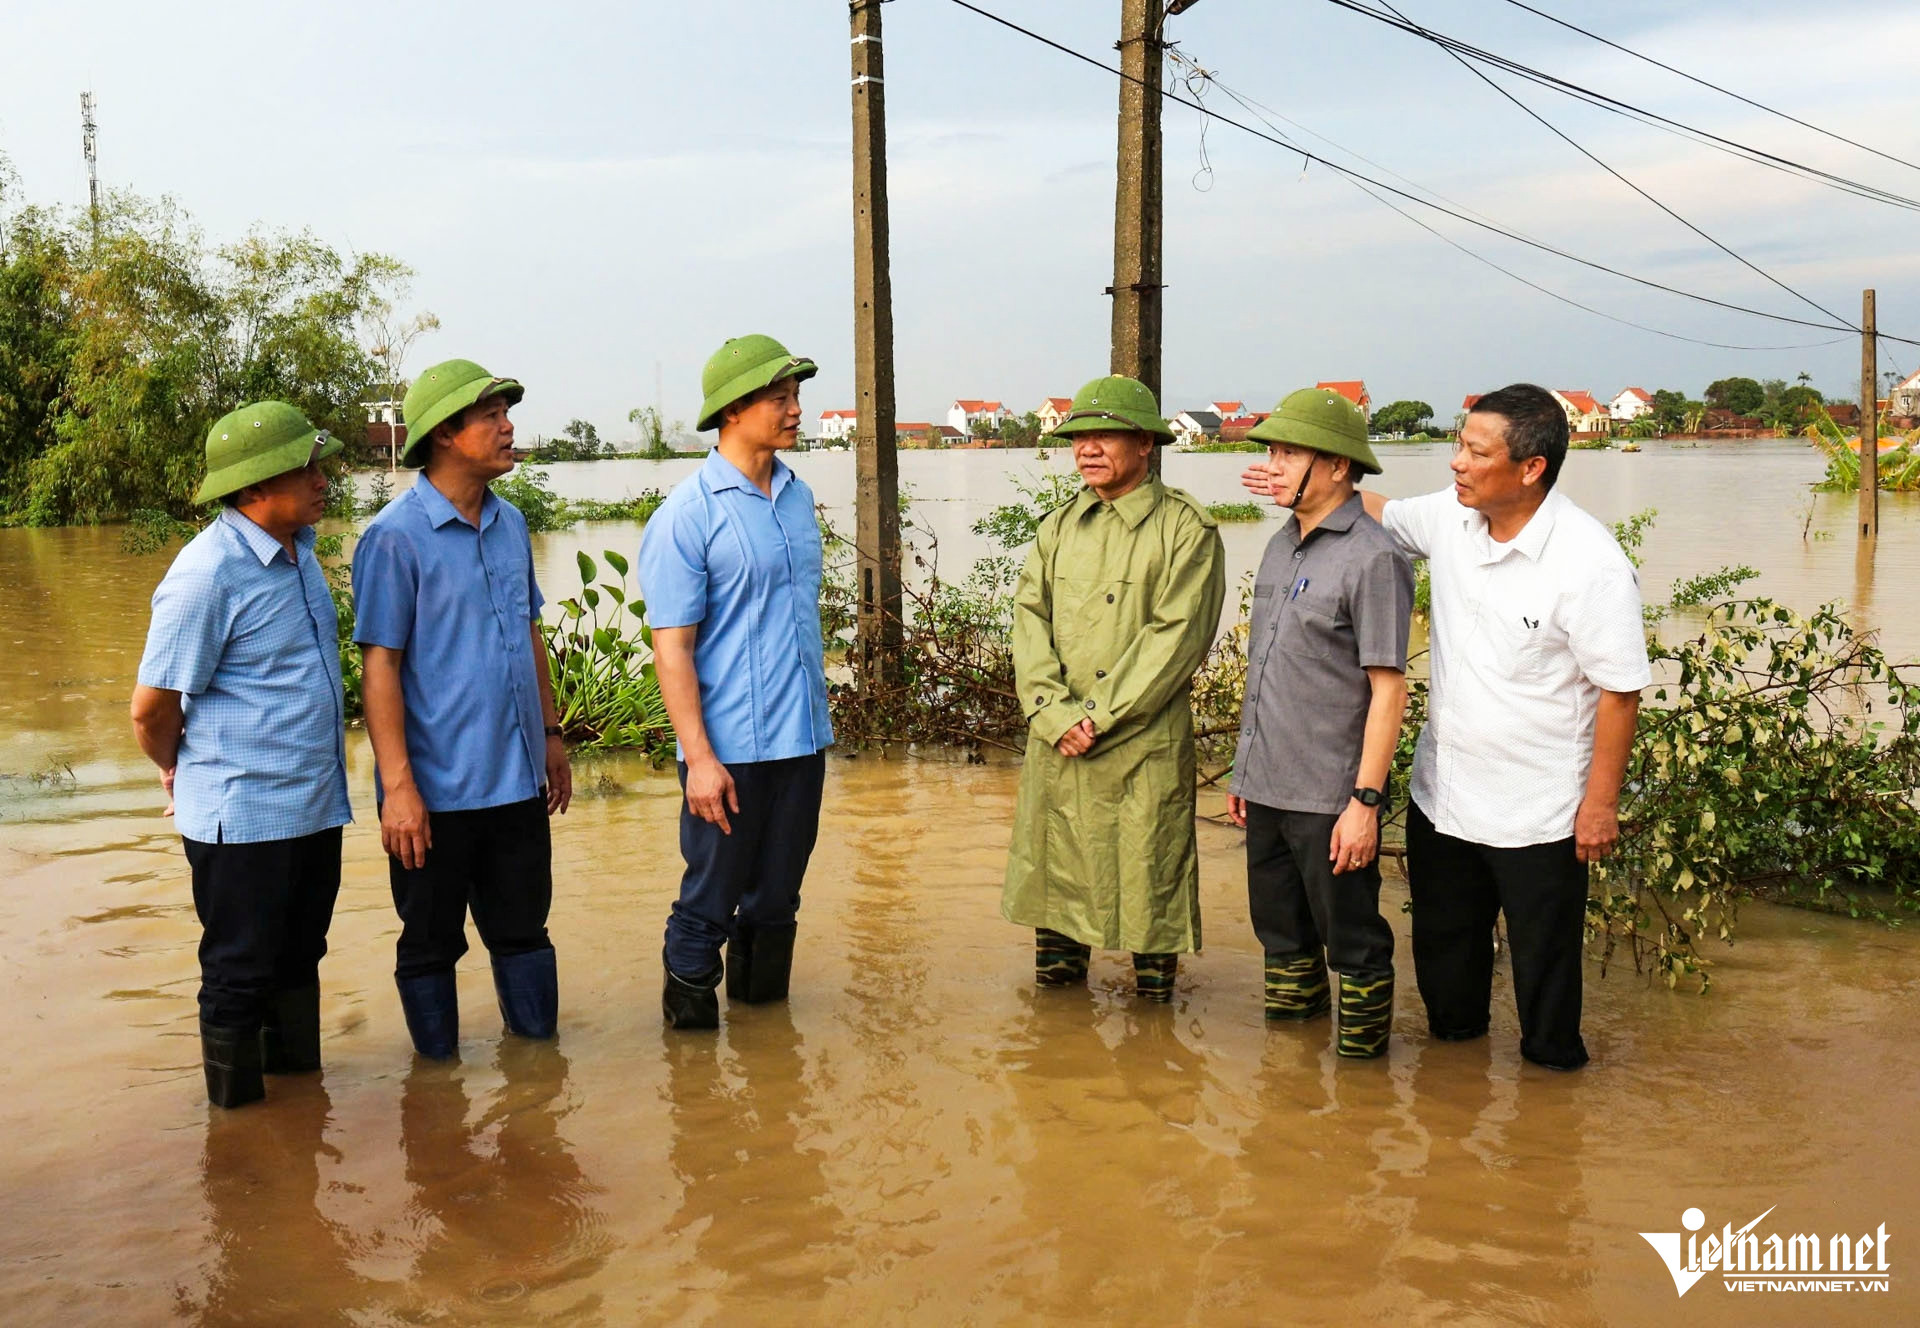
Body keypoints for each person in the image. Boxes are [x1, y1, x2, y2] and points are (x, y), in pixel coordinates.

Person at [1242, 382, 1649, 1068]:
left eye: (1474, 451)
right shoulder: (1451, 519)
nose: (1456, 462)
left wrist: (1600, 806)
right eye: (1458, 445)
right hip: (1446, 801)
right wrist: (1299, 471)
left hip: (1541, 814)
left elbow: (1620, 693)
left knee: (1547, 1008)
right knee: (1447, 998)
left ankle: (1549, 1137)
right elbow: (1371, 508)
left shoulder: (1590, 563)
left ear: (1530, 468)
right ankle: (1453, 1115)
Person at [131, 401, 351, 1108]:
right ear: (255, 487)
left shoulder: (302, 550)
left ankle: (297, 1109)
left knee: (300, 958)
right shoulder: (207, 573)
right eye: (306, 468)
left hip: (312, 805)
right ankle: (237, 1133)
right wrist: (175, 768)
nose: (323, 480)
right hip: (243, 815)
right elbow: (150, 707)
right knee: (238, 969)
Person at [352, 359, 572, 1060]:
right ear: (446, 434)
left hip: (515, 780)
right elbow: (379, 665)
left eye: (507, 414)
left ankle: (538, 1081)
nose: (509, 428)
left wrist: (551, 734)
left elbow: (528, 633)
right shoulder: (394, 537)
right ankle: (437, 1094)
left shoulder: (510, 525)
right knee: (429, 945)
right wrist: (398, 790)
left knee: (524, 932)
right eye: (492, 417)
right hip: (434, 793)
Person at [1002, 375, 1227, 1001]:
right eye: (1080, 437)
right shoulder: (1058, 527)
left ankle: (1154, 1058)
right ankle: (1059, 1033)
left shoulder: (1187, 528)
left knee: (1149, 885)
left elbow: (1176, 639)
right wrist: (1051, 712)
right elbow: (1029, 620)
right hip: (1058, 742)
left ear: (1145, 444)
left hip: (1140, 745)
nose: (1088, 449)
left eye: (1105, 435)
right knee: (1056, 889)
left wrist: (1095, 717)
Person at [638, 335, 832, 1030]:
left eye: (796, 396)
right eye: (779, 399)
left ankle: (764, 1052)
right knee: (709, 901)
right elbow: (673, 649)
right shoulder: (688, 515)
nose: (795, 410)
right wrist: (700, 759)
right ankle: (691, 1069)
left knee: (778, 899)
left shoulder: (796, 495)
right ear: (732, 411)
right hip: (730, 750)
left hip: (801, 739)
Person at [1225, 388, 1413, 1058]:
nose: (1272, 466)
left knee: (1355, 947)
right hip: (1268, 787)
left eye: (1288, 452)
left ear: (1338, 465)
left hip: (1331, 796)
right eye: (1270, 451)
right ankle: (1293, 1085)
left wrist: (1364, 802)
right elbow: (1268, 666)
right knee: (1280, 938)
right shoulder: (1281, 544)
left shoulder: (1373, 557)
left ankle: (1361, 1109)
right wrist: (1243, 773)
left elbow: (1389, 690)